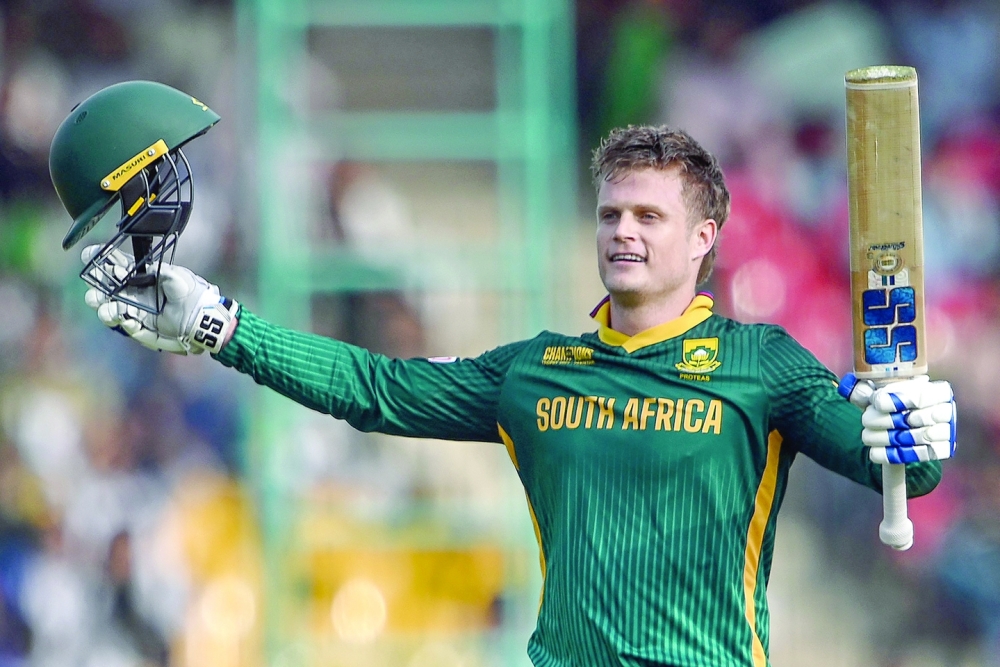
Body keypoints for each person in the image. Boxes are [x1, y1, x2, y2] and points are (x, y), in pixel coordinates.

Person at [49, 82, 957, 667]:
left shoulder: (766, 368)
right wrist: (221, 324)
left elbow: (902, 469)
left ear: (707, 238)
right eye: (610, 213)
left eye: (649, 214)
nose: (623, 233)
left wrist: (917, 431)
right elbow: (375, 390)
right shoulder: (534, 373)